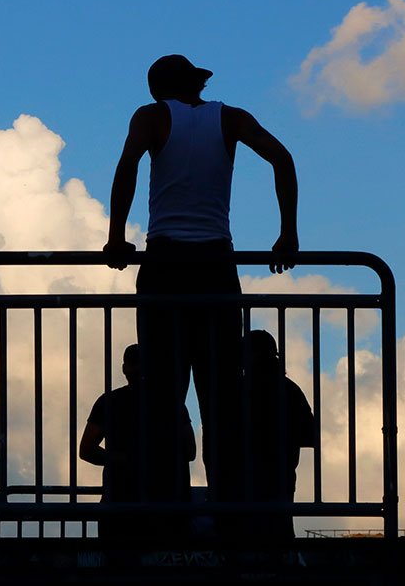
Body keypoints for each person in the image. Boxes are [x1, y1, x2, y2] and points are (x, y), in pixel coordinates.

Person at [102, 53, 299, 531]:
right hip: (216, 263)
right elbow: (282, 158)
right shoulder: (229, 118)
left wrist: (114, 235)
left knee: (162, 396)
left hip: (165, 262)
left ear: (157, 89)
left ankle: (164, 510)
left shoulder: (151, 117)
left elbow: (127, 166)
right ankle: (231, 508)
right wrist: (287, 232)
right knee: (221, 396)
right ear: (195, 84)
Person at [78, 343, 196, 541]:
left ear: (124, 368)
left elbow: (87, 449)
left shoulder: (109, 401)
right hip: (167, 504)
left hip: (120, 504)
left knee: (118, 566)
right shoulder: (171, 403)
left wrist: (122, 460)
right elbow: (190, 450)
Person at [233, 329, 315, 541]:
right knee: (281, 527)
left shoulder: (239, 389)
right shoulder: (289, 389)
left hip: (245, 470)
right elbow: (309, 433)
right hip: (282, 470)